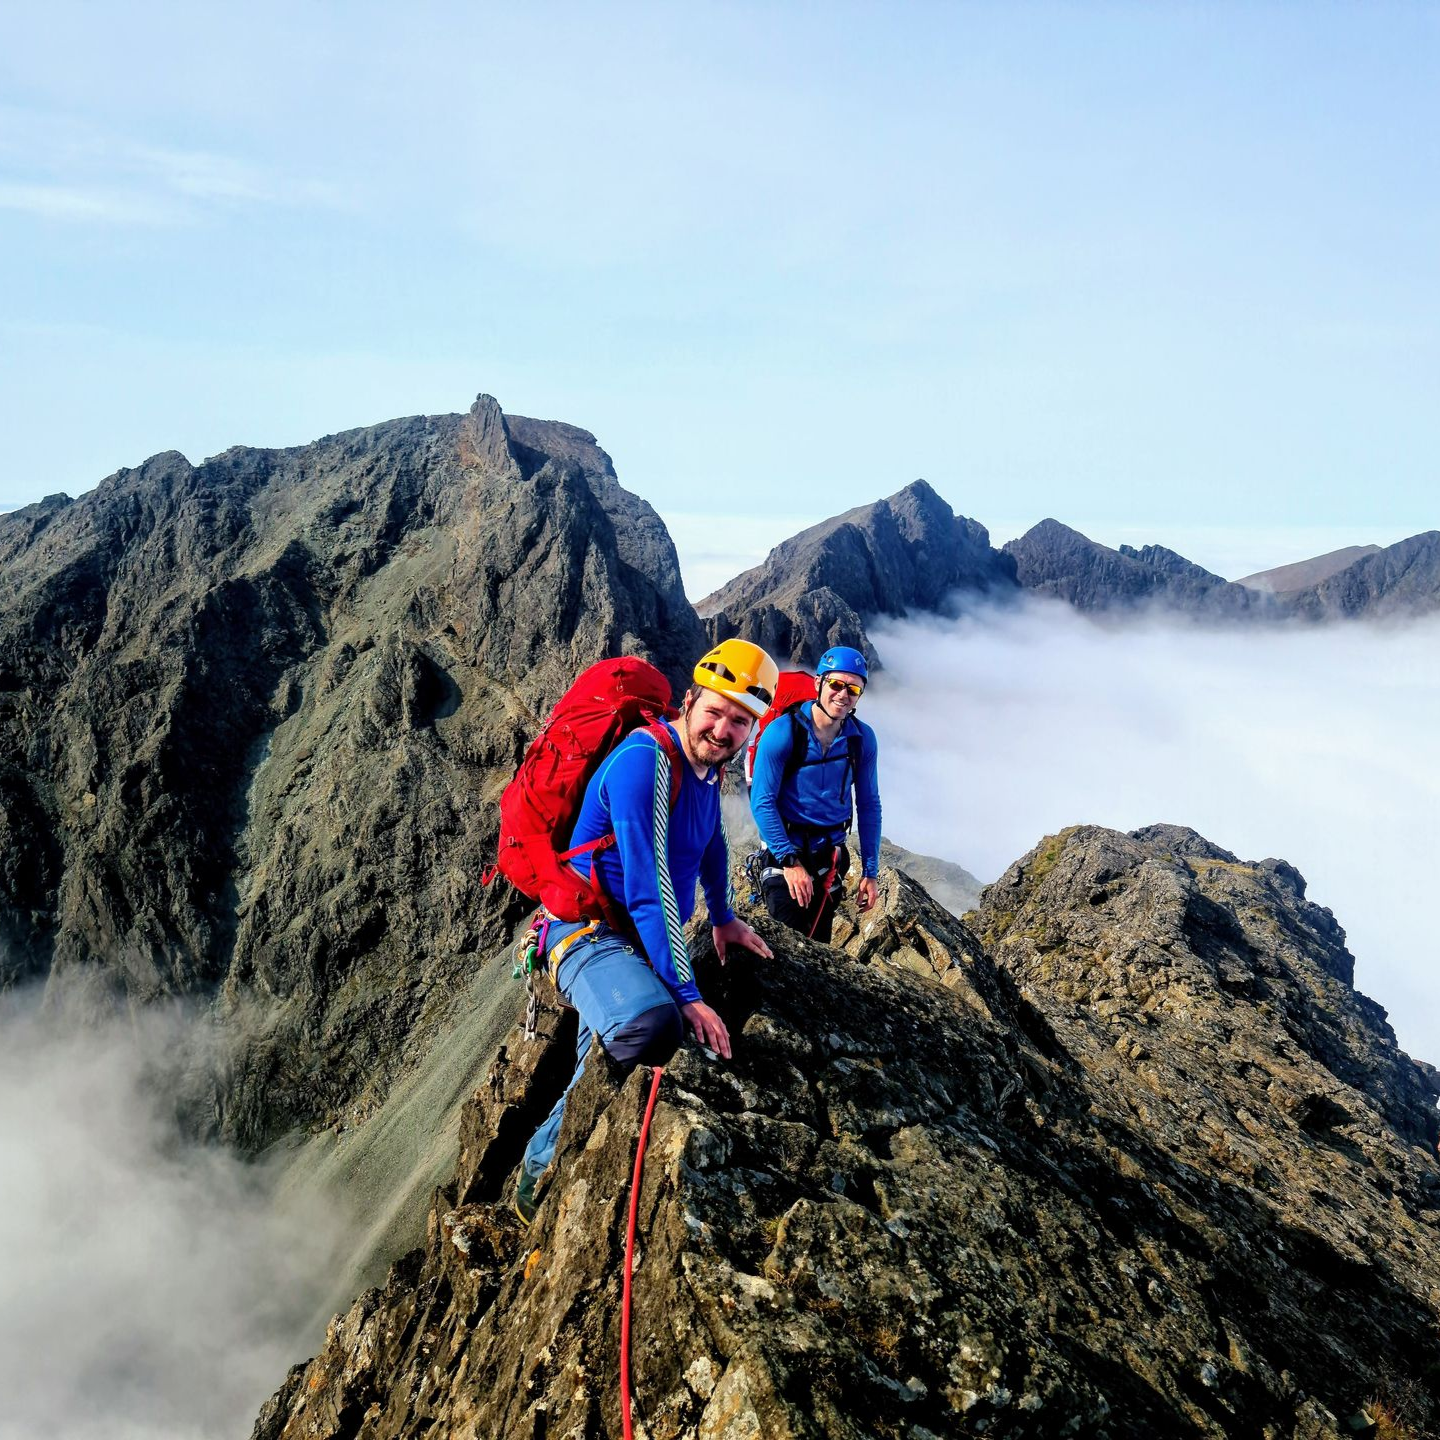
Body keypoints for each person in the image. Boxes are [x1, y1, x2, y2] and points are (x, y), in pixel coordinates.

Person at [515, 638, 779, 1222]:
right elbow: (647, 887)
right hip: (584, 932)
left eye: (740, 721)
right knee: (651, 1027)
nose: (723, 729)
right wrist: (685, 994)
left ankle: (568, 1156)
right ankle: (536, 1166)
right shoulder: (647, 761)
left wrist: (725, 917)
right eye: (716, 711)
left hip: (629, 942)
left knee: (605, 1061)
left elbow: (711, 840)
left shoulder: (705, 768)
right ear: (690, 700)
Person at [748, 645, 881, 942]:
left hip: (830, 858)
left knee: (819, 948)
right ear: (818, 682)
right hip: (786, 852)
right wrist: (790, 862)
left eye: (853, 689)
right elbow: (762, 801)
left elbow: (869, 805)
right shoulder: (783, 732)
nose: (843, 695)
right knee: (788, 949)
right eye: (836, 685)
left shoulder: (861, 739)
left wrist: (870, 872)